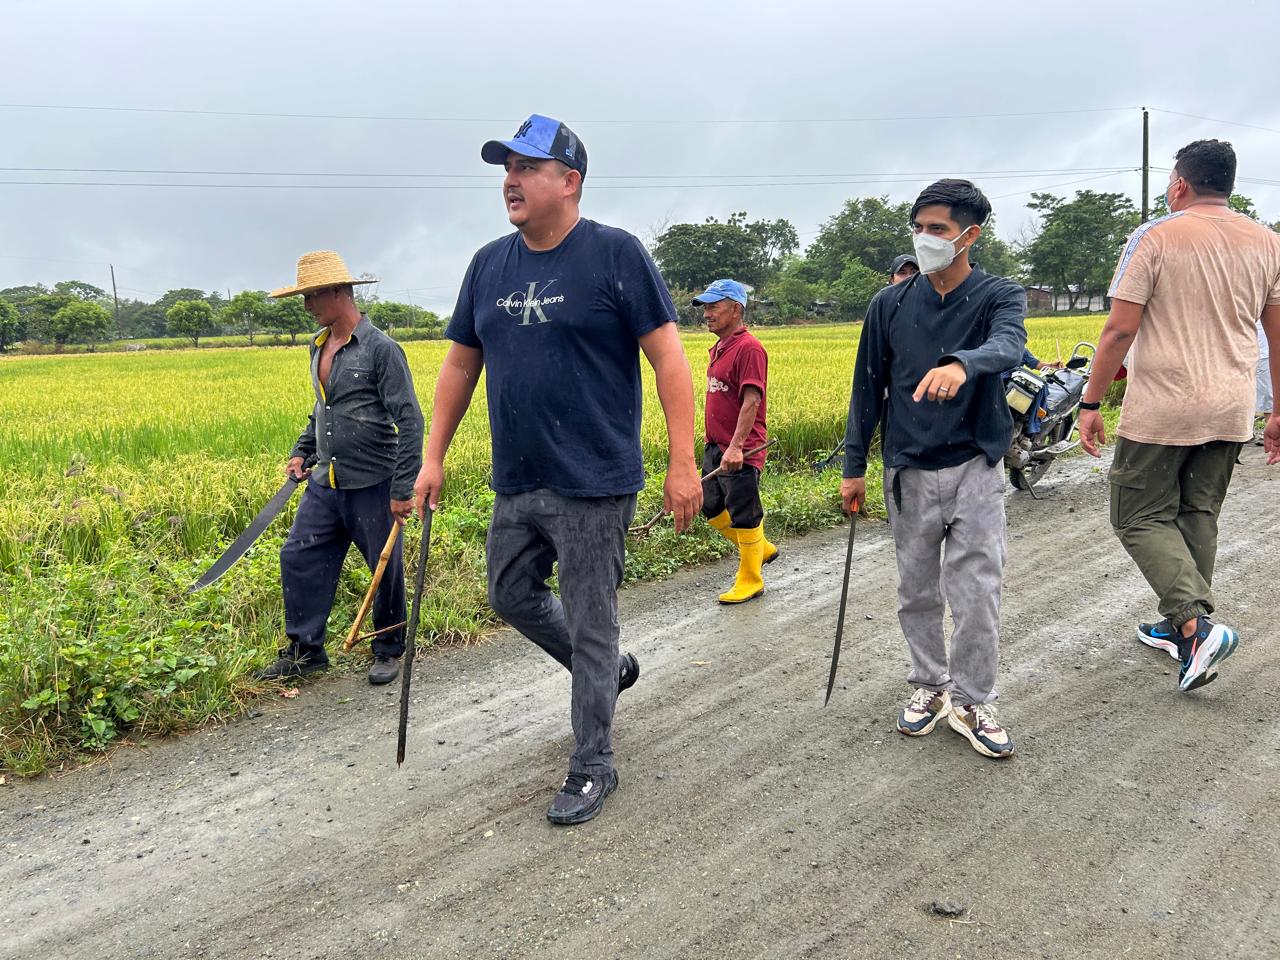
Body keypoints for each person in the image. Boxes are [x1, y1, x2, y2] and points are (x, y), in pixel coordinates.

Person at [413, 114, 702, 825]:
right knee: (510, 593)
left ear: (569, 181)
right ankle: (605, 670)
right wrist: (432, 456)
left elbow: (668, 359)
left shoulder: (614, 254)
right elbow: (460, 364)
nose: (510, 181)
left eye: (527, 168)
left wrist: (683, 461)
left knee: (594, 620)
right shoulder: (488, 264)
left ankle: (593, 762)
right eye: (506, 169)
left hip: (594, 480)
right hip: (517, 476)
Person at [1078, 139, 1280, 692]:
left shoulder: (1154, 235)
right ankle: (1182, 633)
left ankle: (1195, 626)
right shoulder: (1268, 242)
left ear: (1181, 185)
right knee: (1198, 512)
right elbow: (1277, 334)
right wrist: (1277, 410)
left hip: (1165, 406)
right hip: (1232, 404)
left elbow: (1119, 329)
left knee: (1136, 515)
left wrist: (1091, 402)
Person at [841, 179, 1027, 760]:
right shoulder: (890, 303)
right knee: (916, 590)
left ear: (970, 235)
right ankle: (930, 685)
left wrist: (962, 364)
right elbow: (867, 387)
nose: (925, 239)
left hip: (975, 464)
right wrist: (853, 466)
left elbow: (1009, 345)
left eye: (938, 229)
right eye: (919, 228)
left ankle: (972, 699)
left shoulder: (999, 295)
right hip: (908, 469)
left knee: (976, 591)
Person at [258, 251, 424, 685]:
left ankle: (388, 647)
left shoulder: (381, 349)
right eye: (303, 296)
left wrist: (402, 488)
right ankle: (306, 650)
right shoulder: (318, 346)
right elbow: (323, 410)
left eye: (312, 295)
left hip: (374, 481)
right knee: (299, 555)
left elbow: (410, 420)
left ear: (338, 291)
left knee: (384, 570)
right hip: (325, 481)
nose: (306, 305)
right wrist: (303, 451)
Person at [692, 279, 776, 603]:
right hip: (717, 444)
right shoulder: (720, 348)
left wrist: (737, 446)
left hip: (741, 448)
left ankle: (751, 578)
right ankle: (759, 548)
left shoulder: (749, 348)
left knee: (744, 512)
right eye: (705, 308)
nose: (707, 314)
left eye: (714, 307)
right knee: (709, 504)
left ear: (736, 309)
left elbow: (752, 401)